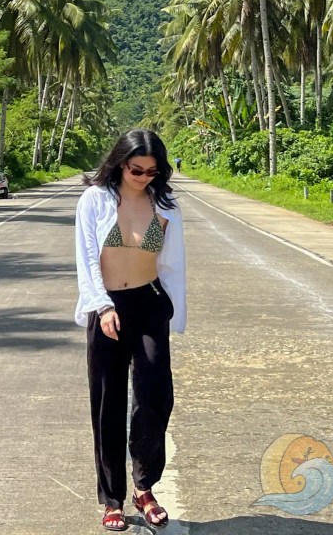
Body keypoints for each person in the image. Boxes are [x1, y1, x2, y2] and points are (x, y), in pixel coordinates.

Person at [75, 129, 187, 531]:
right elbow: (87, 258)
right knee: (108, 403)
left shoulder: (164, 203)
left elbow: (171, 262)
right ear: (121, 163)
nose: (143, 177)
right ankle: (111, 498)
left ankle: (144, 488)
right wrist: (101, 305)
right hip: (108, 306)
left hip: (149, 303)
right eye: (136, 169)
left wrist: (175, 311)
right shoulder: (97, 200)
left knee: (155, 395)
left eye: (152, 171)